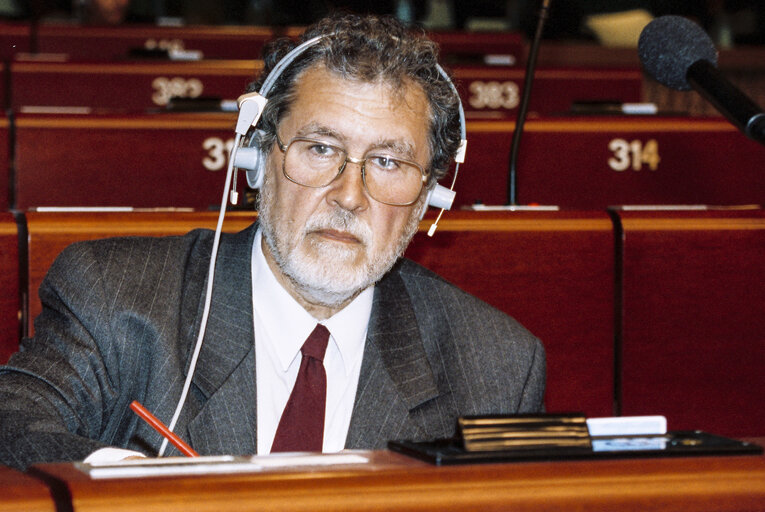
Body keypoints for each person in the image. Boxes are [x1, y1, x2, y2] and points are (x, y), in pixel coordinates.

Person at [0, 13, 545, 470]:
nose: (349, 196)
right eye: (320, 149)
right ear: (256, 159)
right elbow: (13, 420)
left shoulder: (497, 366)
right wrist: (135, 488)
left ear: (431, 195)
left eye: (387, 162)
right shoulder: (115, 296)